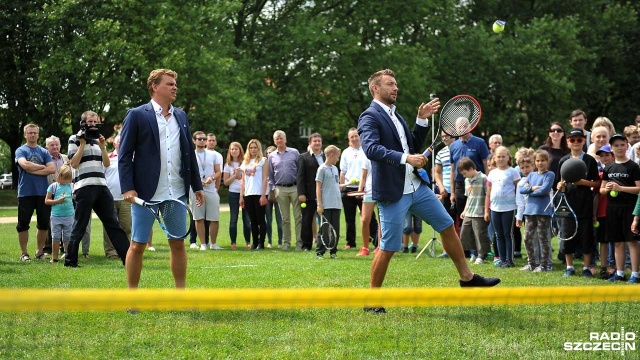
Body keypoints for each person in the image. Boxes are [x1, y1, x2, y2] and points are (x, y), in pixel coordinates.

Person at [358, 69, 500, 313]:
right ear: (375, 88)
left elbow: (411, 145)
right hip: (393, 192)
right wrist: (406, 158)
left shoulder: (396, 115)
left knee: (446, 226)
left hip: (416, 187)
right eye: (390, 84)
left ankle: (467, 278)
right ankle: (372, 299)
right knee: (389, 246)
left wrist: (421, 121)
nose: (396, 88)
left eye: (396, 85)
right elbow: (372, 149)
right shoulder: (369, 116)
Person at [119, 68, 204, 289]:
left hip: (175, 191)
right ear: (155, 87)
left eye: (175, 83)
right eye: (169, 83)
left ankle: (180, 294)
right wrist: (128, 187)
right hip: (145, 193)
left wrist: (197, 185)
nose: (175, 87)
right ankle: (132, 296)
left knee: (177, 244)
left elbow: (188, 154)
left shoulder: (181, 116)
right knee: (137, 246)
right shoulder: (137, 114)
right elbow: (125, 155)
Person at [64, 111, 130, 268]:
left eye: (95, 121)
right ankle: (70, 261)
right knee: (80, 225)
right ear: (83, 122)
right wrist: (82, 144)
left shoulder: (98, 140)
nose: (93, 124)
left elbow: (106, 164)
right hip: (84, 187)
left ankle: (128, 259)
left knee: (113, 224)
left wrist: (102, 147)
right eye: (90, 121)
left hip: (101, 186)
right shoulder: (74, 139)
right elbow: (73, 164)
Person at [557, 128, 600, 278]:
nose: (576, 142)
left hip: (585, 204)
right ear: (567, 142)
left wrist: (583, 182)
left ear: (584, 141)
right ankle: (569, 267)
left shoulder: (590, 160)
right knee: (567, 236)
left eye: (579, 140)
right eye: (572, 140)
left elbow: (597, 184)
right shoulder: (563, 161)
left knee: (586, 236)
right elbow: (559, 182)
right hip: (567, 205)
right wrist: (559, 186)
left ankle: (586, 268)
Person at [600, 134, 640, 283]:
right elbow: (602, 190)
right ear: (611, 148)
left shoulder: (633, 166)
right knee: (617, 242)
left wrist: (620, 188)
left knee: (632, 242)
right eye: (615, 145)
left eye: (622, 145)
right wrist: (608, 188)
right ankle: (620, 273)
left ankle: (635, 275)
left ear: (627, 146)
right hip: (613, 209)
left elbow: (638, 189)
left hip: (629, 208)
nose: (619, 148)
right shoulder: (609, 167)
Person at [16, 124, 55, 261]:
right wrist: (42, 166)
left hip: (42, 192)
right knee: (23, 224)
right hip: (25, 192)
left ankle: (39, 252)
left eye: (35, 133)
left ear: (38, 135)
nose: (32, 135)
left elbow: (51, 169)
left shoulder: (44, 152)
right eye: (30, 133)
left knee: (43, 223)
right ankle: (24, 253)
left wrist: (32, 169)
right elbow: (24, 165)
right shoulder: (20, 150)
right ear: (25, 135)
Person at [339, 128, 378, 250]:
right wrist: (341, 187)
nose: (354, 138)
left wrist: (362, 188)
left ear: (360, 136)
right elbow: (343, 172)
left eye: (356, 136)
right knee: (349, 218)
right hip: (348, 188)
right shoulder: (345, 152)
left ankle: (376, 241)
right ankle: (350, 242)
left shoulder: (366, 151)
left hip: (365, 189)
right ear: (348, 139)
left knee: (369, 217)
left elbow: (366, 172)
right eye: (352, 137)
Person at [520, 150, 555, 272]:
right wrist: (532, 188)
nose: (540, 163)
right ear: (534, 162)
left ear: (547, 161)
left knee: (543, 238)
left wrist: (529, 190)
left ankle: (545, 265)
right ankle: (532, 263)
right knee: (527, 238)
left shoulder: (550, 175)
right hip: (529, 211)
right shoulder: (531, 175)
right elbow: (521, 189)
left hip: (543, 211)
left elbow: (544, 190)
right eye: (538, 160)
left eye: (543, 160)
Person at [449, 128, 490, 234]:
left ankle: (477, 248)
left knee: (478, 218)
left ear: (470, 127)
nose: (462, 129)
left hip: (478, 183)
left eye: (464, 126)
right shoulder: (453, 145)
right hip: (460, 185)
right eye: (459, 127)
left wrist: (488, 183)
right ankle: (465, 249)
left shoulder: (479, 142)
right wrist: (452, 192)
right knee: (463, 217)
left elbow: (486, 164)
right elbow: (452, 170)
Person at [486, 146, 520, 268]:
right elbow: (488, 192)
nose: (500, 159)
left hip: (509, 208)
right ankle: (501, 258)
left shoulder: (513, 172)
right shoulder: (492, 173)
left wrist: (519, 206)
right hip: (495, 208)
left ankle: (509, 260)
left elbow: (519, 189)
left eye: (503, 156)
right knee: (498, 234)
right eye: (498, 156)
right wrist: (487, 209)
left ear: (508, 158)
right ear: (494, 158)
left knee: (507, 234)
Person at [267, 130, 302, 250]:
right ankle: (286, 243)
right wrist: (273, 188)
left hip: (295, 187)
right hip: (280, 189)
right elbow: (270, 175)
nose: (279, 140)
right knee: (285, 218)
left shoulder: (294, 152)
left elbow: (300, 170)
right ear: (274, 141)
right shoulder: (272, 156)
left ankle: (299, 243)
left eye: (281, 138)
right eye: (277, 139)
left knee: (298, 217)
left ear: (285, 140)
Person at [190, 131, 222, 250]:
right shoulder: (191, 155)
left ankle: (213, 244)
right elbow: (187, 173)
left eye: (204, 139)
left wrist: (211, 178)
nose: (202, 141)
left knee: (214, 217)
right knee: (198, 217)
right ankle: (203, 244)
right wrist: (198, 181)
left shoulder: (212, 154)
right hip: (196, 190)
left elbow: (218, 171)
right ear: (194, 140)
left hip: (210, 189)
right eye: (199, 139)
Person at [103, 134, 132, 259]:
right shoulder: (107, 158)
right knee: (109, 227)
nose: (121, 143)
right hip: (109, 198)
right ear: (114, 144)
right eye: (119, 141)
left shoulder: (131, 158)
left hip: (126, 199)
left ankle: (127, 252)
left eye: (123, 141)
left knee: (126, 226)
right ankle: (111, 252)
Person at [457, 157, 490, 265]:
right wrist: (464, 210)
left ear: (471, 168)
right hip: (469, 211)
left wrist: (486, 211)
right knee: (466, 233)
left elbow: (487, 195)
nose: (464, 176)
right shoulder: (467, 180)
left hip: (479, 212)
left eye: (465, 173)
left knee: (479, 234)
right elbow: (469, 197)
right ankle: (473, 253)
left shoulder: (484, 178)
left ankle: (481, 255)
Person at [296, 133, 325, 251]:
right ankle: (306, 245)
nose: (317, 143)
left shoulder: (326, 157)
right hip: (308, 195)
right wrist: (301, 193)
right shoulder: (303, 157)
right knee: (307, 220)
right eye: (315, 141)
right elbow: (300, 177)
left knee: (324, 220)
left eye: (319, 141)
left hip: (324, 195)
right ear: (310, 143)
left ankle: (324, 243)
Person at [239, 139, 269, 250]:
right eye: (251, 147)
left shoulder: (263, 160)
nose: (253, 149)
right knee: (252, 220)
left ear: (258, 148)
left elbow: (265, 178)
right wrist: (241, 196)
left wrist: (263, 195)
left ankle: (261, 243)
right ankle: (254, 242)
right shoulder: (245, 162)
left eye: (255, 147)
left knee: (261, 219)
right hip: (248, 194)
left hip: (259, 193)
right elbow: (243, 181)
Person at [44, 135, 69, 255]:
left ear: (60, 146)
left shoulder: (66, 158)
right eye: (51, 145)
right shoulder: (44, 158)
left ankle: (65, 249)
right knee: (50, 221)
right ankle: (48, 248)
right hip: (49, 191)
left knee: (66, 220)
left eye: (56, 144)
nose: (55, 147)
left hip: (64, 192)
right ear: (46, 147)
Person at [315, 145, 342, 259]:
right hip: (326, 204)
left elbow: (336, 184)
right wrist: (320, 204)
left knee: (335, 229)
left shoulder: (335, 169)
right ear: (332, 155)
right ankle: (320, 252)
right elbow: (318, 187)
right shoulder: (322, 169)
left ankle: (333, 251)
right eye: (337, 156)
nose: (338, 159)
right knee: (324, 229)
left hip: (336, 204)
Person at [223, 141, 250, 249]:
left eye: (236, 149)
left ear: (240, 151)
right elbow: (225, 182)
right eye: (232, 149)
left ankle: (248, 242)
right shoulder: (227, 165)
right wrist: (235, 175)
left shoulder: (245, 163)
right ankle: (233, 242)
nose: (234, 151)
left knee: (247, 220)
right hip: (233, 194)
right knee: (233, 219)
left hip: (245, 193)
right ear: (230, 151)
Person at [44, 164, 74, 263]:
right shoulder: (53, 187)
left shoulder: (71, 186)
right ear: (59, 175)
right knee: (55, 237)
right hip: (56, 216)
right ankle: (55, 257)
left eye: (68, 179)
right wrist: (57, 201)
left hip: (69, 215)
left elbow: (76, 196)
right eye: (64, 179)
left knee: (67, 237)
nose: (65, 181)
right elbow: (47, 201)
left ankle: (67, 255)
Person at [595, 145, 615, 279]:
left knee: (617, 242)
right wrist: (594, 214)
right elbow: (596, 196)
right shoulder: (600, 176)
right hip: (602, 213)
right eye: (601, 155)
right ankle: (603, 267)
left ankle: (615, 267)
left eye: (607, 155)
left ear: (613, 156)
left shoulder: (620, 173)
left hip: (617, 212)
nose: (604, 158)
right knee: (603, 241)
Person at [357, 158, 379, 256]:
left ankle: (380, 247)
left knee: (382, 221)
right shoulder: (367, 157)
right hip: (369, 191)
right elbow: (363, 176)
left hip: (383, 191)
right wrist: (360, 190)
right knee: (365, 220)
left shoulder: (386, 153)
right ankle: (365, 248)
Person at [539, 122, 570, 189]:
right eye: (552, 130)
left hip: (563, 187)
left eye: (559, 130)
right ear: (549, 134)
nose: (556, 132)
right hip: (545, 186)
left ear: (563, 133)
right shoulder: (543, 149)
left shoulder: (569, 151)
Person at [264, 145, 283, 248]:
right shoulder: (263, 164)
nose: (269, 154)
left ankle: (280, 242)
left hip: (277, 193)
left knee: (280, 220)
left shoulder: (277, 163)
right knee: (268, 220)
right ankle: (270, 241)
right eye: (267, 153)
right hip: (267, 195)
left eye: (271, 152)